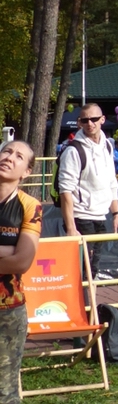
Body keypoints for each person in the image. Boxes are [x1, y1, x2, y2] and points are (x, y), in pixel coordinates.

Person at [58, 104, 118, 273]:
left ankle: (88, 291)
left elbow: (112, 182)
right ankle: (83, 292)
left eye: (94, 119)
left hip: (100, 216)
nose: (90, 123)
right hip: (81, 217)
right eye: (85, 120)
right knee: (84, 269)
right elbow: (65, 191)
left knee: (92, 268)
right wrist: (71, 227)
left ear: (102, 120)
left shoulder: (107, 145)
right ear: (79, 122)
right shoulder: (73, 151)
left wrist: (116, 215)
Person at [0, 140, 42, 404]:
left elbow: (22, 262)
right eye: (6, 151)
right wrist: (7, 250)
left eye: (18, 156)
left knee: (5, 391)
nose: (9, 157)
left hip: (8, 311)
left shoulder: (30, 205)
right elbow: (13, 256)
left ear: (26, 172)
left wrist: (15, 255)